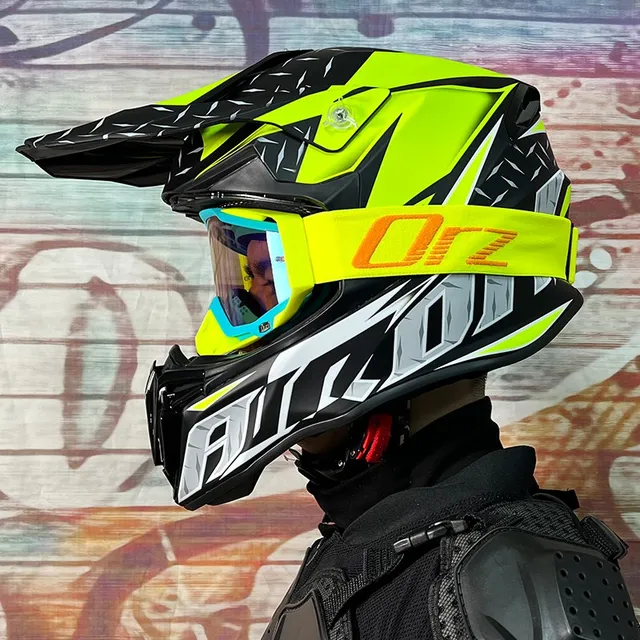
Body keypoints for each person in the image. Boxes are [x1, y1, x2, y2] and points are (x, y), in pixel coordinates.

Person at [17, 47, 639, 639]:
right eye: (237, 280)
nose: (221, 327)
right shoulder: (390, 545)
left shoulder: (506, 582)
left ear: (396, 272)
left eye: (262, 278)